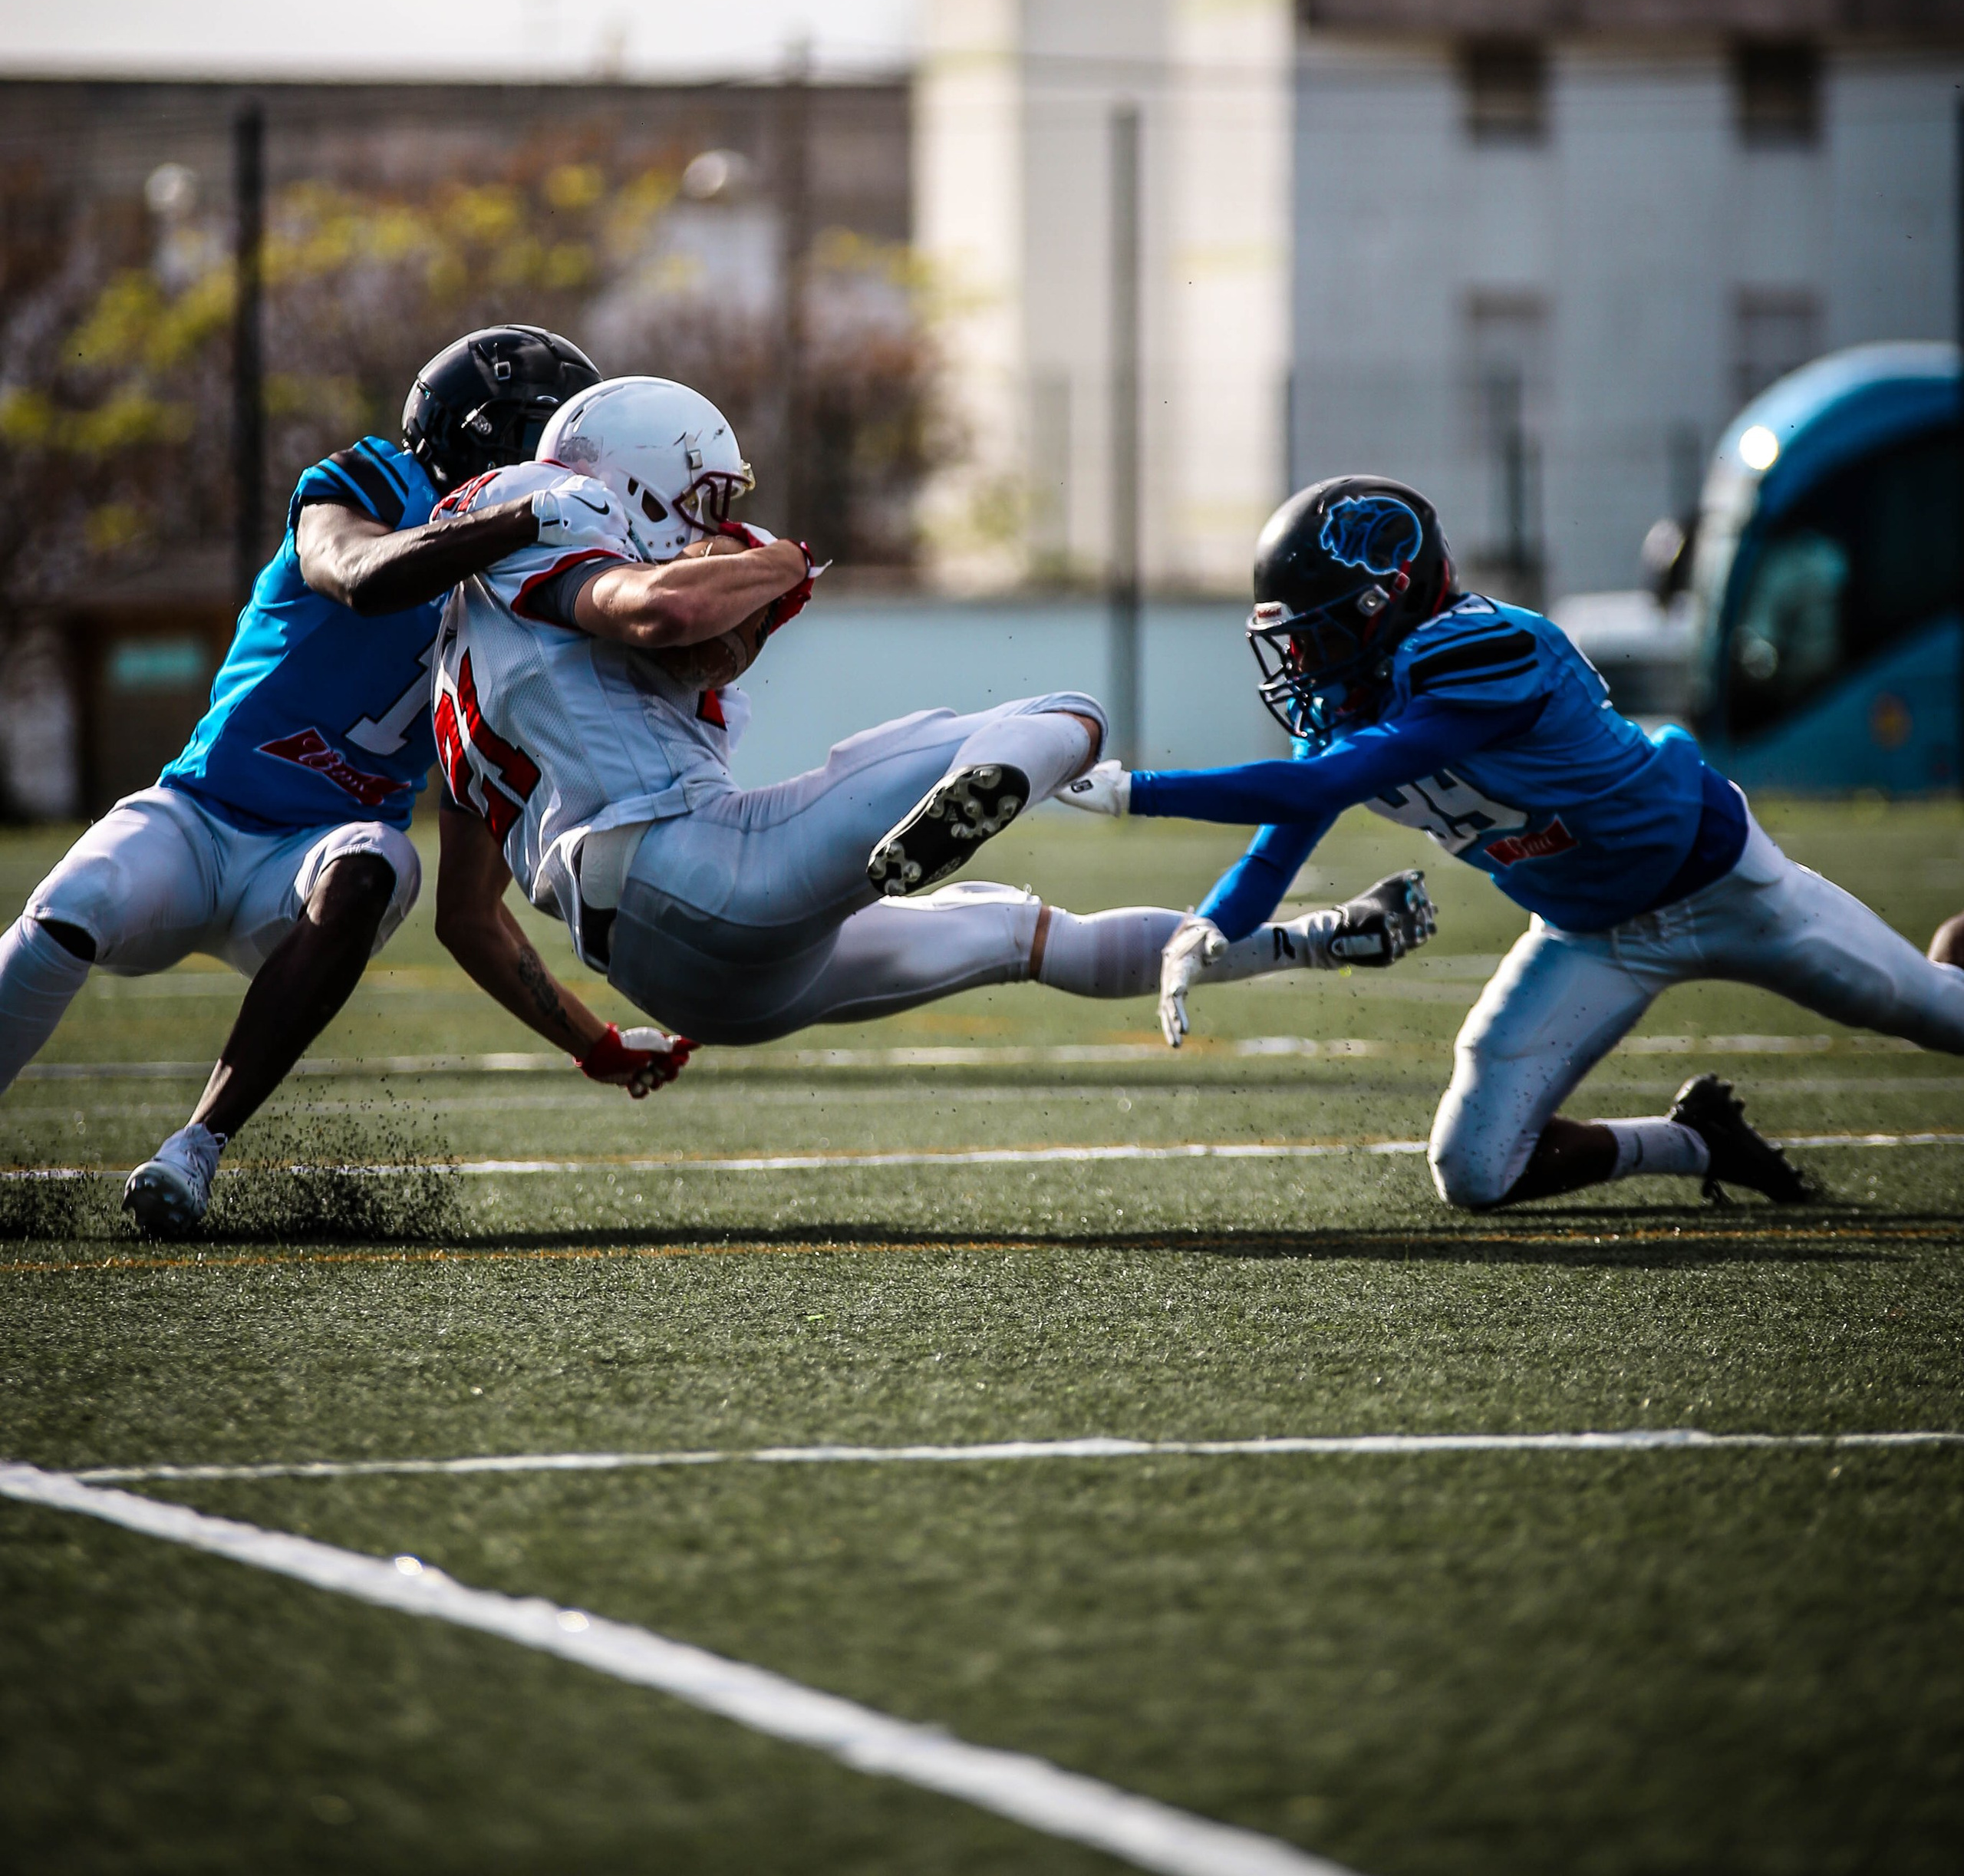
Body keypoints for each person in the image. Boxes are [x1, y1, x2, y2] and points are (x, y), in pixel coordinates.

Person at [429, 378, 1435, 1061]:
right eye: (705, 497)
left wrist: (594, 1046)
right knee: (1070, 715)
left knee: (1025, 931)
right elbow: (665, 610)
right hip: (694, 863)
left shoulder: (469, 648)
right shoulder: (542, 502)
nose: (715, 518)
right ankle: (973, 793)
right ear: (635, 472)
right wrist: (781, 564)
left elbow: (470, 911)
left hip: (680, 978)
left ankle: (1306, 942)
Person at [1058, 473, 1964, 1209]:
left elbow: (1323, 784)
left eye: (1317, 629)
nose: (1298, 660)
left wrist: (1139, 790)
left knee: (1934, 1015)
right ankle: (1696, 1143)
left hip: (1721, 884)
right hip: (1585, 933)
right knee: (1475, 1171)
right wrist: (1207, 931)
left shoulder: (1485, 649)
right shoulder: (1346, 700)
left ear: (1387, 600)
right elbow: (1276, 847)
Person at [0, 323, 601, 1235]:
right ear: (495, 438)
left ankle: (192, 1152)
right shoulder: (367, 482)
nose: (566, 475)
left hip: (307, 862)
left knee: (378, 863)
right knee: (70, 905)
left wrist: (594, 1045)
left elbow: (469, 913)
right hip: (200, 817)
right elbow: (357, 575)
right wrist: (522, 519)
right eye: (552, 447)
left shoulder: (528, 601)